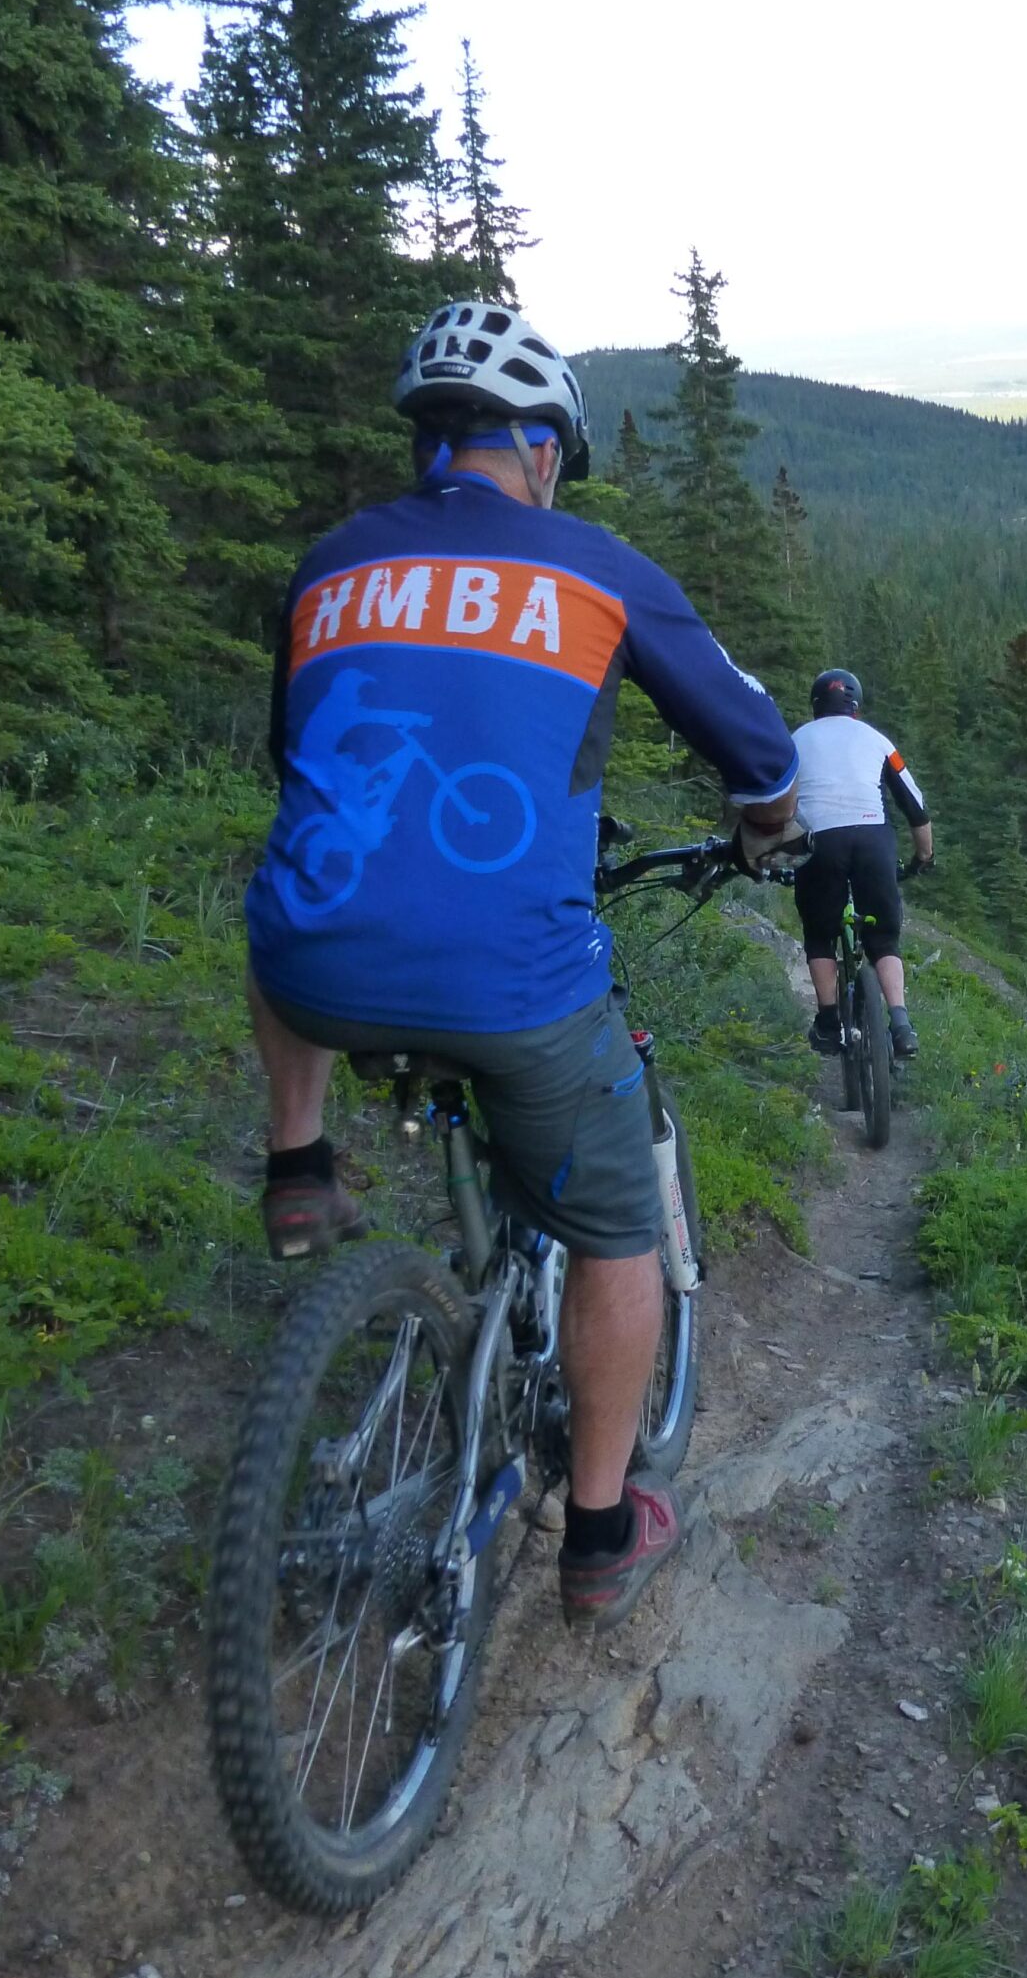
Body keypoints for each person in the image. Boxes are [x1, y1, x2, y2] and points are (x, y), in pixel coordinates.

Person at [243, 299, 801, 1631]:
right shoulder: (592, 567)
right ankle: (602, 1530)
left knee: (298, 888)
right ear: (541, 447)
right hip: (513, 986)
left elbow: (293, 760)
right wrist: (766, 827)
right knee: (614, 1227)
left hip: (312, 972)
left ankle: (299, 1167)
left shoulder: (329, 566)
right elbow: (765, 754)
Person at [790, 668, 933, 1060]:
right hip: (873, 839)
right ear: (856, 705)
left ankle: (828, 1022)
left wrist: (773, 855)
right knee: (884, 939)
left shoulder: (795, 740)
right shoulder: (878, 740)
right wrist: (923, 857)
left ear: (816, 705)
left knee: (820, 933)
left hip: (819, 842)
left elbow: (774, 800)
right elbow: (915, 808)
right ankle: (901, 1023)